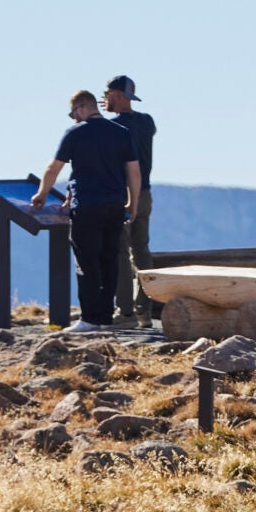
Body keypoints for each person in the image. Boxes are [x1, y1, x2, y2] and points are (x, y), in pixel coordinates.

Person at [28, 89, 142, 332]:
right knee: (109, 260)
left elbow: (53, 168)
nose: (73, 119)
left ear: (81, 107)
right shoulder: (121, 133)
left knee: (87, 262)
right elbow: (134, 171)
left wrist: (41, 194)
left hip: (87, 205)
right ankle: (105, 317)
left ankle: (90, 319)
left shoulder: (75, 133)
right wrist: (133, 204)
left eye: (72, 114)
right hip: (114, 204)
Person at [105, 76, 157, 327]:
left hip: (121, 194)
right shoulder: (147, 122)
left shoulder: (112, 128)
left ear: (117, 95)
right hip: (144, 193)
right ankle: (144, 311)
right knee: (142, 251)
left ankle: (124, 312)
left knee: (120, 252)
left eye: (108, 94)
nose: (105, 99)